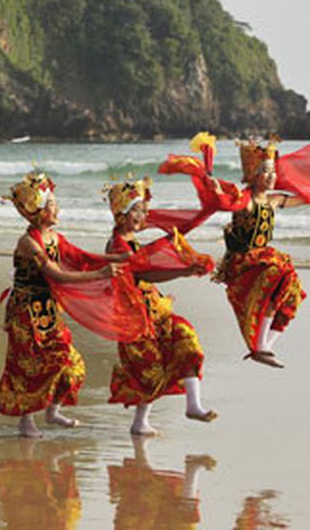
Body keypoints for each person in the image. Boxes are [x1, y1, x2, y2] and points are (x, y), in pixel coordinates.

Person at [161, 125, 310, 368]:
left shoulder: (274, 199)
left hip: (262, 258)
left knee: (292, 294)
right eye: (265, 172)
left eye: (272, 172)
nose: (271, 177)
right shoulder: (244, 200)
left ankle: (265, 345)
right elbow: (227, 203)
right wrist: (215, 190)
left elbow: (307, 197)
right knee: (279, 273)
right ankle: (259, 346)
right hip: (242, 261)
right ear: (252, 174)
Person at [0, 171, 129, 438]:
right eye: (52, 204)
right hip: (25, 311)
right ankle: (26, 420)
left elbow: (83, 257)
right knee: (28, 365)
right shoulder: (29, 242)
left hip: (48, 310)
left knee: (72, 364)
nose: (57, 208)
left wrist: (118, 257)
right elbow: (56, 274)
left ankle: (52, 410)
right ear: (38, 209)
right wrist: (100, 275)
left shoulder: (55, 238)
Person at [104, 176, 217, 435]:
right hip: (133, 316)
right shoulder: (118, 245)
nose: (142, 214)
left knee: (186, 338)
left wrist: (205, 211)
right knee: (150, 369)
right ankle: (140, 422)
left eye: (143, 209)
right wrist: (183, 270)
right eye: (136, 210)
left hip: (154, 307)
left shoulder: (131, 239)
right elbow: (143, 274)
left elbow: (150, 266)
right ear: (121, 214)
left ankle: (194, 404)